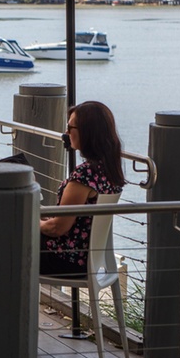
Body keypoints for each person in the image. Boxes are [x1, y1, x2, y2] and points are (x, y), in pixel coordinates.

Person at [40, 101, 125, 277]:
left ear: (86, 133)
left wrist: (31, 221)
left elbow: (57, 228)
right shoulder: (109, 168)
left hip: (65, 261)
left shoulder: (84, 175)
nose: (66, 132)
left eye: (70, 128)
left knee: (5, 238)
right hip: (87, 258)